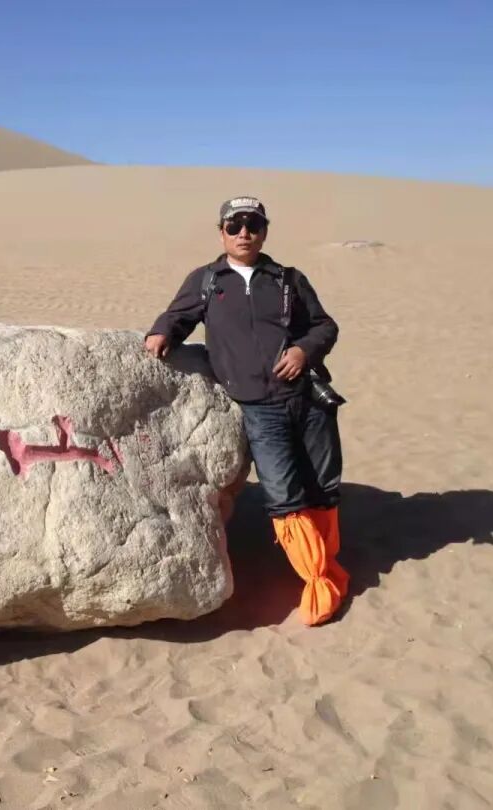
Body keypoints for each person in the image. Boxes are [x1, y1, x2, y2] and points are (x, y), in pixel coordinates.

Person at [144, 196, 349, 625]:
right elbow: (178, 316)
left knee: (323, 485)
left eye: (253, 225)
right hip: (259, 409)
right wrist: (161, 332)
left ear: (264, 231)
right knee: (283, 494)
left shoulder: (288, 279)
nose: (244, 234)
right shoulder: (207, 281)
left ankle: (329, 565)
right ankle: (316, 579)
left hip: (308, 400)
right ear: (221, 232)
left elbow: (324, 326)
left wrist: (303, 351)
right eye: (234, 226)